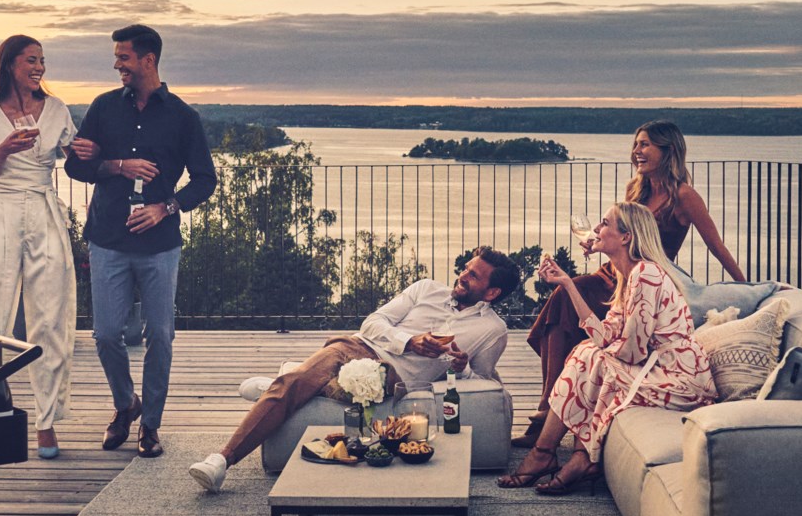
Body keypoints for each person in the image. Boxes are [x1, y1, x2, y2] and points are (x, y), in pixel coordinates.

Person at [188, 250, 523, 492]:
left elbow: (483, 380)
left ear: (492, 292)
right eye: (466, 268)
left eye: (473, 275)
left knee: (302, 382)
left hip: (394, 379)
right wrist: (409, 341)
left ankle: (283, 386)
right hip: (356, 347)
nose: (462, 275)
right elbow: (373, 322)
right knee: (309, 375)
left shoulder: (492, 330)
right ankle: (221, 460)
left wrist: (461, 369)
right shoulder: (426, 289)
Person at [515, 120, 742, 447]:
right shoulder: (635, 190)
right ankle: (547, 408)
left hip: (643, 284)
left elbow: (716, 246)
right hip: (612, 277)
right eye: (636, 144)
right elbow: (619, 234)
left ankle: (546, 419)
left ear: (669, 150)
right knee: (562, 306)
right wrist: (597, 241)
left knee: (567, 301)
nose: (637, 151)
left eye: (646, 144)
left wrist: (746, 287)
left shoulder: (684, 196)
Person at [63, 23, 217, 459]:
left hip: (160, 245)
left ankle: (149, 425)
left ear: (148, 60)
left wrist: (165, 207)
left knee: (161, 336)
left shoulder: (184, 117)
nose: (117, 65)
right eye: (116, 57)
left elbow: (206, 180)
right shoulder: (103, 107)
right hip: (107, 238)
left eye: (124, 57)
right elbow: (76, 166)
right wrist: (116, 165)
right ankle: (123, 404)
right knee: (106, 334)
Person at [498, 201, 715, 496]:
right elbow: (605, 335)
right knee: (586, 351)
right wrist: (568, 284)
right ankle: (562, 455)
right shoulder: (628, 278)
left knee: (590, 357)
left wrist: (602, 351)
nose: (597, 229)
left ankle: (549, 453)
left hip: (680, 379)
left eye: (604, 223)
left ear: (626, 237)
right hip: (655, 368)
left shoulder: (647, 274)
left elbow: (632, 352)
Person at [0, 35, 79, 459]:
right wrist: (1, 153)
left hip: (44, 212)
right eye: (31, 60)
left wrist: (96, 156)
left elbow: (78, 161)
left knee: (50, 316)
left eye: (43, 60)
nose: (39, 67)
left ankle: (46, 423)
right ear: (9, 65)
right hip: (1, 211)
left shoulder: (57, 109)